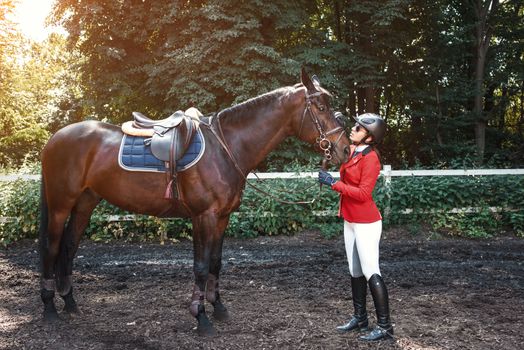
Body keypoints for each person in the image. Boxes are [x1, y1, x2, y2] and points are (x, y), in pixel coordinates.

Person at [318, 113, 393, 342]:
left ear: (369, 138)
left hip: (367, 222)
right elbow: (333, 145)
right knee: (355, 271)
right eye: (354, 126)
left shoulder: (371, 159)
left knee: (371, 271)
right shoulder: (351, 150)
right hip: (350, 219)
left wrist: (333, 183)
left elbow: (362, 194)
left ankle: (385, 326)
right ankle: (360, 318)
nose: (354, 130)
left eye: (358, 129)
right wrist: (335, 121)